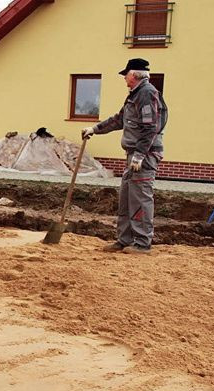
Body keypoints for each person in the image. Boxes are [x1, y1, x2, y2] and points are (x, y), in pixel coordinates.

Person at [82, 58, 168, 254]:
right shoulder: (135, 95)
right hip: (133, 155)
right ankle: (124, 240)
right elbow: (119, 119)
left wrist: (139, 156)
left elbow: (150, 127)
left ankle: (142, 243)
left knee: (140, 198)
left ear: (134, 74)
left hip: (144, 157)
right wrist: (94, 129)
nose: (124, 79)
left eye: (126, 75)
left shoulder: (147, 94)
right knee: (127, 198)